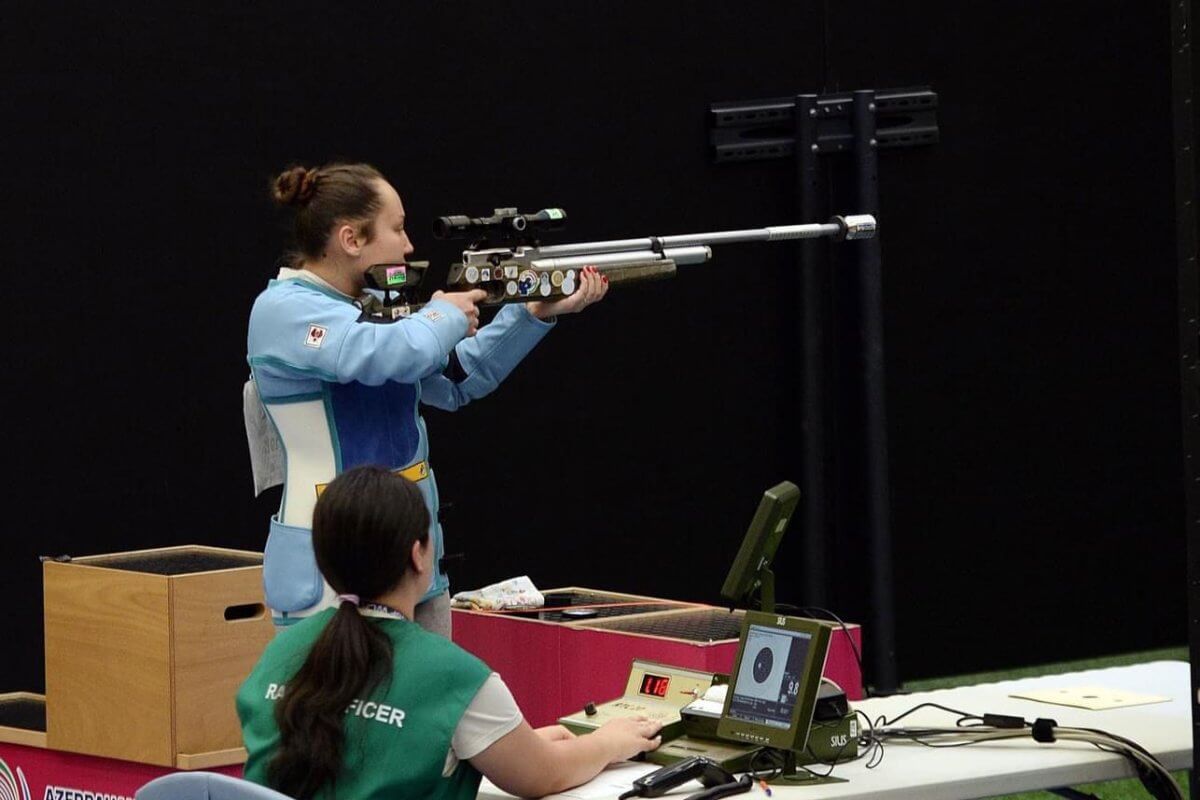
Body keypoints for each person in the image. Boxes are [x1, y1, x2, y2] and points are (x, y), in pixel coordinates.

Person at [245, 162, 608, 634]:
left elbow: (457, 378)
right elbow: (384, 353)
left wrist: (532, 312)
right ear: (351, 239)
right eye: (396, 228)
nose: (409, 245)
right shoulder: (283, 310)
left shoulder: (374, 313)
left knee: (428, 707)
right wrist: (443, 314)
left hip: (413, 568)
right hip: (330, 577)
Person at [237, 466, 662, 800]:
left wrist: (517, 744)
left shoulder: (281, 651)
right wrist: (609, 742)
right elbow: (543, 774)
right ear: (418, 553)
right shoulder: (455, 676)